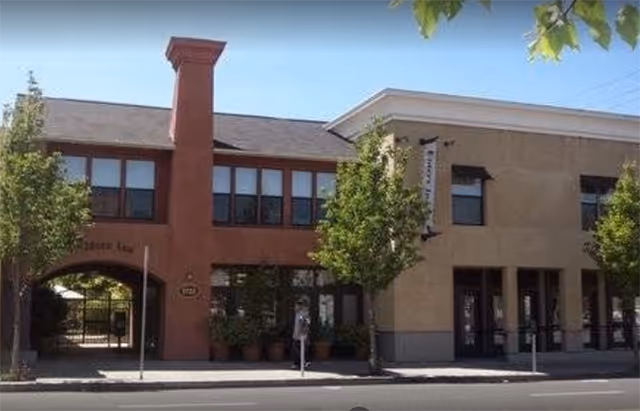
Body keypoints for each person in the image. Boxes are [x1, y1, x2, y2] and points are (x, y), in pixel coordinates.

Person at [291, 298, 311, 370]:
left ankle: (303, 362)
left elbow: (306, 323)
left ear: (300, 306)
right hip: (296, 335)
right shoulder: (297, 314)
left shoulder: (303, 314)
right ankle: (298, 363)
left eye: (296, 306)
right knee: (296, 349)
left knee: (301, 350)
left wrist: (303, 332)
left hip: (302, 336)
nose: (295, 307)